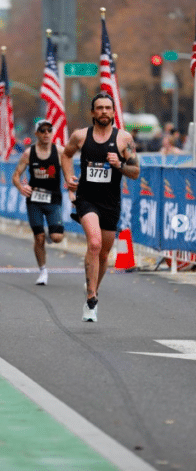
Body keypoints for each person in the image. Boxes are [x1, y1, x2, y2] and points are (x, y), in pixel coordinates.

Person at [61, 92, 140, 322]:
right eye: (99, 108)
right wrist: (68, 177)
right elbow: (66, 156)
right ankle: (91, 296)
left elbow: (135, 173)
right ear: (93, 112)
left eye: (108, 108)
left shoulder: (124, 139)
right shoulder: (81, 136)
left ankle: (93, 289)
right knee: (94, 243)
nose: (104, 111)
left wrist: (120, 164)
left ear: (114, 112)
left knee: (104, 254)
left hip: (110, 202)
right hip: (86, 198)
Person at [12, 119, 64, 286]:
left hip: (53, 198)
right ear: (36, 134)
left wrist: (72, 187)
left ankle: (51, 233)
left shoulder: (60, 151)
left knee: (56, 237)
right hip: (33, 200)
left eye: (49, 130)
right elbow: (15, 176)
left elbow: (70, 171)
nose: (46, 133)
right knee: (39, 238)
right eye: (42, 130)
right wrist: (21, 187)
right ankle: (43, 271)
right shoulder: (29, 153)